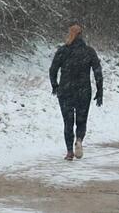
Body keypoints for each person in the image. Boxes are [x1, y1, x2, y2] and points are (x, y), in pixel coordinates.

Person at [49, 23, 103, 161]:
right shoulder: (89, 51)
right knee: (81, 120)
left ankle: (69, 152)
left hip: (65, 91)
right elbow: (97, 72)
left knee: (68, 123)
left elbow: (53, 69)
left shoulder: (63, 51)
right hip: (83, 91)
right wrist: (99, 91)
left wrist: (55, 85)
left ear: (70, 34)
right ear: (82, 35)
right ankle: (79, 139)